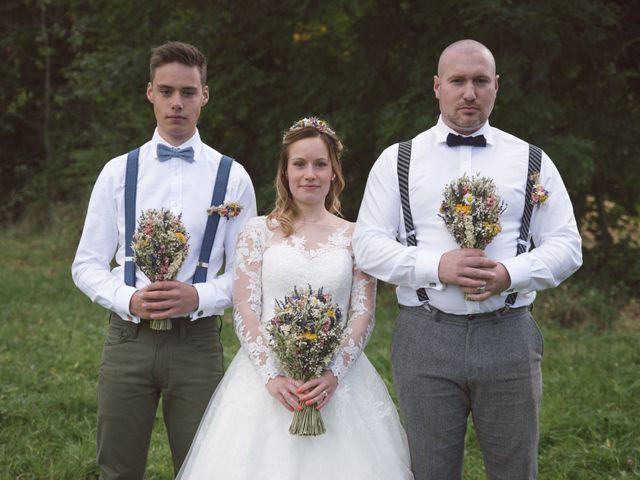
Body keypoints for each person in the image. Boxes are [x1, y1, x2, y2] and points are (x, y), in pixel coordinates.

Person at [353, 39, 582, 480]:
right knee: (431, 470)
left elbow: (567, 246)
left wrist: (509, 274)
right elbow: (368, 246)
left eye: (480, 81)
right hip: (425, 337)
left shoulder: (531, 160)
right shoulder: (398, 160)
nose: (469, 92)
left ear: (497, 87)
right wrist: (435, 267)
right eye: (458, 81)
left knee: (516, 469)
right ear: (437, 87)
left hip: (510, 336)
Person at [177, 117, 413, 479]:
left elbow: (363, 313)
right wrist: (272, 375)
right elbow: (245, 308)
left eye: (320, 164)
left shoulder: (357, 237)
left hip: (337, 382)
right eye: (299, 164)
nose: (310, 174)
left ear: (334, 172)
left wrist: (333, 373)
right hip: (265, 382)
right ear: (285, 171)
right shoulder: (257, 231)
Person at [71, 41, 257, 479]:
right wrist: (127, 298)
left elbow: (250, 273)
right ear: (150, 92)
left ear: (204, 95)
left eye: (188, 93)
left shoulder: (232, 176)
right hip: (127, 341)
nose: (177, 103)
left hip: (197, 343)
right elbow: (86, 264)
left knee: (203, 467)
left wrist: (200, 295)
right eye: (168, 91)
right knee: (117, 466)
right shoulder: (118, 173)